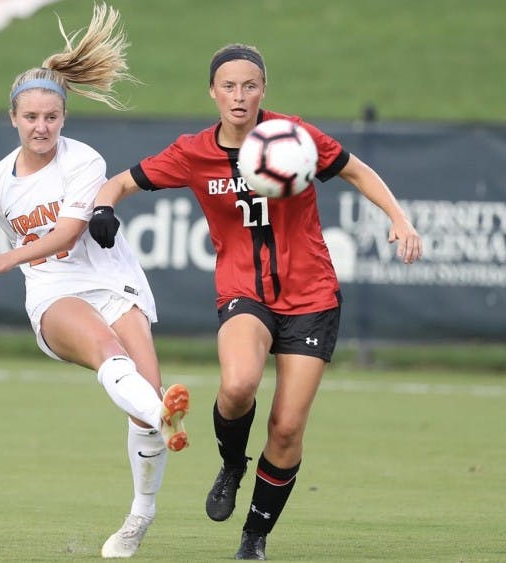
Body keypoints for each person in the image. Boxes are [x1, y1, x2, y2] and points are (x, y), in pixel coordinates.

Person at [87, 43, 423, 560]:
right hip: (244, 292)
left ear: (263, 90)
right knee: (238, 384)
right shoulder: (193, 152)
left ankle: (254, 538)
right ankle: (233, 464)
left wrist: (398, 218)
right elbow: (120, 182)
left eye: (249, 85)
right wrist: (104, 209)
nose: (239, 96)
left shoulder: (293, 136)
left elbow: (356, 170)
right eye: (228, 86)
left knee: (287, 429)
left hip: (312, 295)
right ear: (213, 93)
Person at [0, 4, 189, 559]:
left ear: (64, 118)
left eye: (51, 117)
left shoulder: (83, 160)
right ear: (12, 117)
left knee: (141, 413)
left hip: (111, 283)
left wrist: (10, 256)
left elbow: (66, 235)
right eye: (30, 117)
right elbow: (50, 255)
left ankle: (140, 515)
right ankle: (166, 412)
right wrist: (22, 261)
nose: (41, 127)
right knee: (111, 356)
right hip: (52, 294)